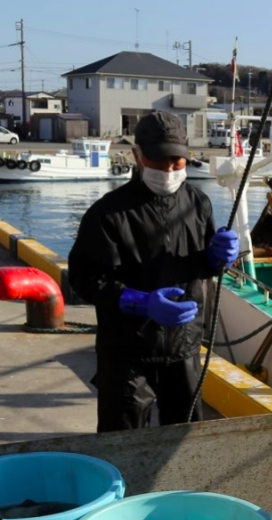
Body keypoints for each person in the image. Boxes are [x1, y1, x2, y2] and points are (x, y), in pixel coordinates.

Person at [68, 110, 239, 432]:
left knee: (184, 443)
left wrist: (220, 258)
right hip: (126, 354)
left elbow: (201, 264)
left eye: (177, 162)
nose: (169, 170)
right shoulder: (106, 213)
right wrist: (140, 302)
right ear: (137, 156)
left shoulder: (199, 203)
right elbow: (84, 279)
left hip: (184, 347)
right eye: (158, 162)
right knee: (123, 444)